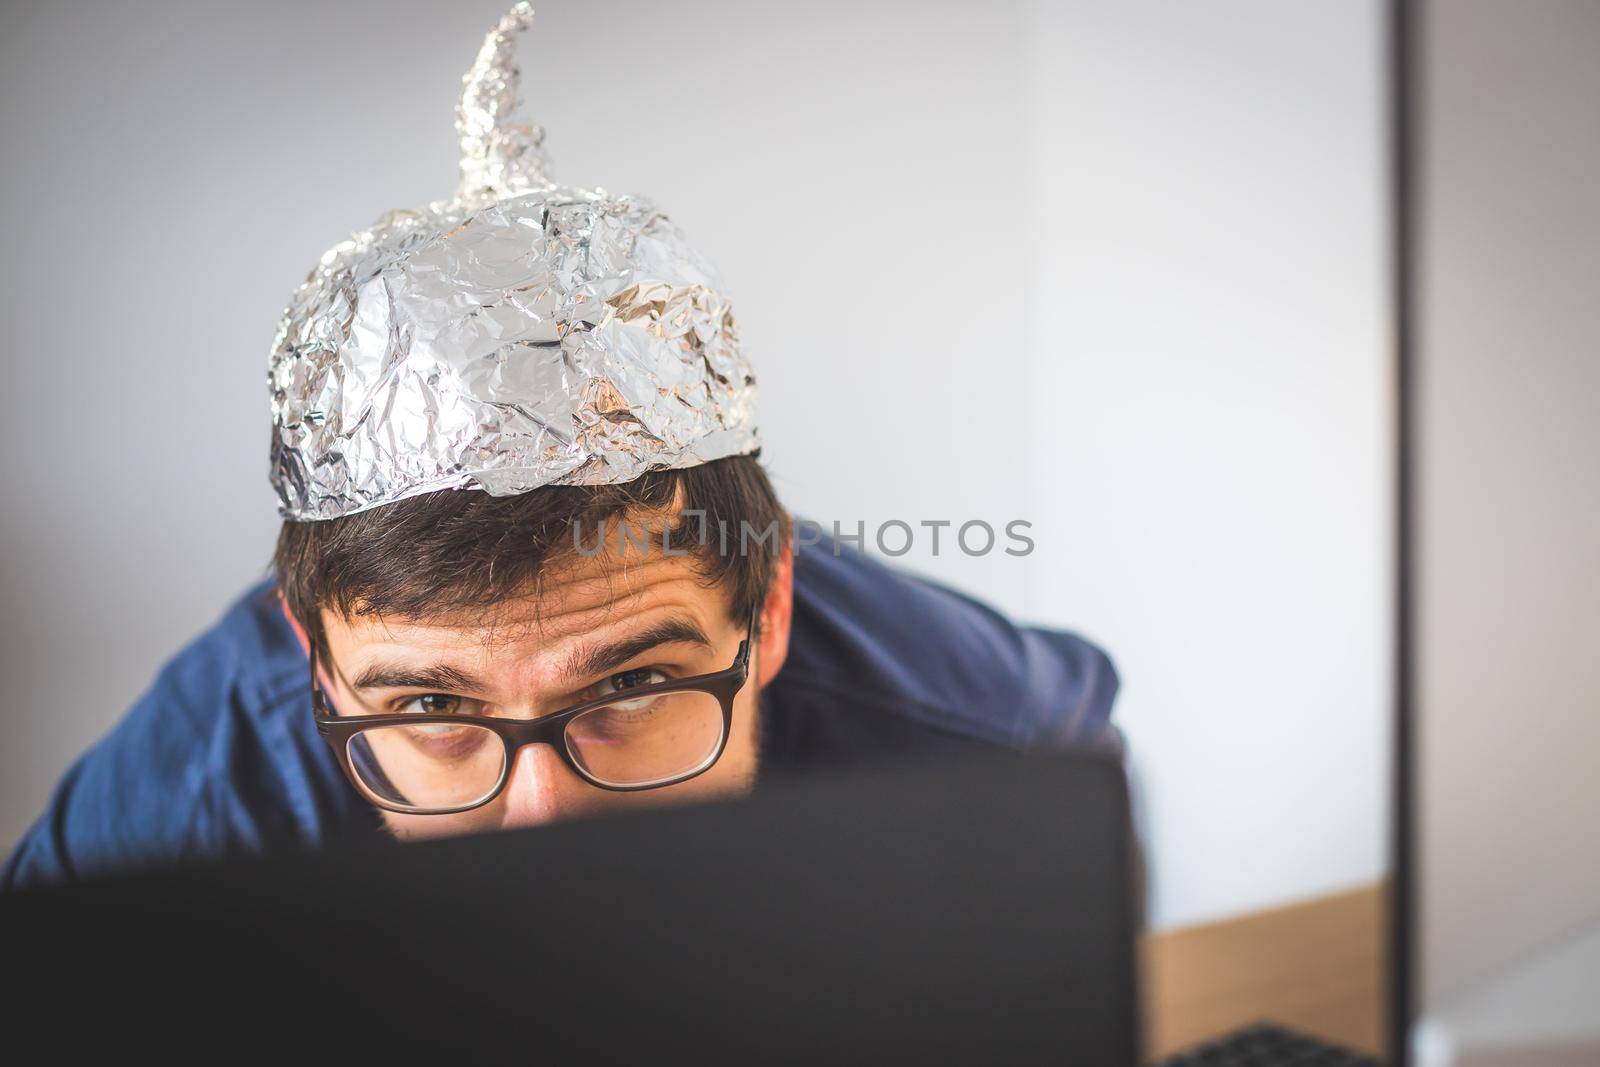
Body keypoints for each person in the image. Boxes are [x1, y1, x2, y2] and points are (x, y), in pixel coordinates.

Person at [1, 5, 1118, 892]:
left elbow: (1073, 761)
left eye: (630, 681)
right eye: (432, 710)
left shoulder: (948, 709)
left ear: (770, 607)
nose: (540, 821)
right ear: (311, 654)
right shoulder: (201, 789)